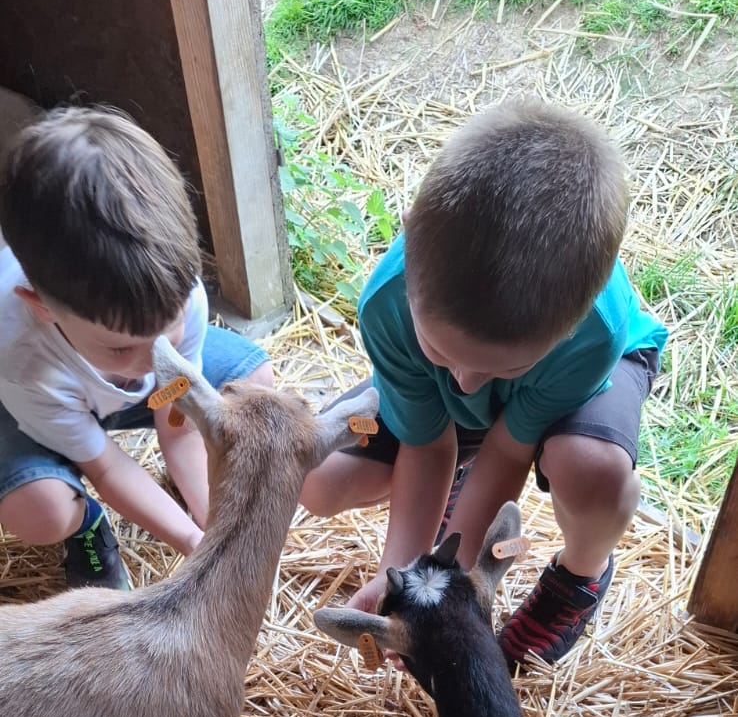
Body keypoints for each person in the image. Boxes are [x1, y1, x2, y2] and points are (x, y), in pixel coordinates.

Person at [301, 101, 667, 665]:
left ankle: (581, 577)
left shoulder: (594, 332)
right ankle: (456, 494)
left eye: (500, 366)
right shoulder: (388, 303)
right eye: (442, 349)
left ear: (567, 327)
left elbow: (506, 451)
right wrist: (401, 579)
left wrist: (450, 585)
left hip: (561, 395)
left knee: (594, 474)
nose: (466, 383)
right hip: (468, 405)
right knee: (319, 479)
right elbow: (428, 442)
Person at [0, 105, 272, 593]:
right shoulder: (20, 356)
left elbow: (179, 426)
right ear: (43, 308)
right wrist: (190, 542)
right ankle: (85, 525)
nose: (153, 366)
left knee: (254, 386)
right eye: (123, 347)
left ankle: (191, 493)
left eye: (166, 335)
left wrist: (215, 531)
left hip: (100, 382)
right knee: (40, 510)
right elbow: (105, 465)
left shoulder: (181, 295)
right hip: (30, 405)